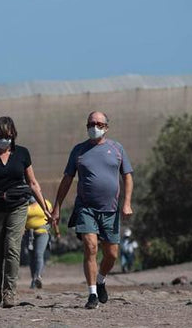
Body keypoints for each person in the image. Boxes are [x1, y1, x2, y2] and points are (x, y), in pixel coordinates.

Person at [49, 111, 134, 310]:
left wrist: (127, 203)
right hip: (85, 208)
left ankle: (102, 279)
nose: (94, 127)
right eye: (90, 123)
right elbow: (67, 179)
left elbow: (127, 176)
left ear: (106, 127)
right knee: (91, 247)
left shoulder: (117, 148)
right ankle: (92, 293)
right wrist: (57, 206)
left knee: (112, 254)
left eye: (98, 123)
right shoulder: (79, 151)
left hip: (111, 210)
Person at [0, 116, 51, 308]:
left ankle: (9, 291)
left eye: (6, 135)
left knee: (12, 248)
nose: (3, 139)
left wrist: (45, 208)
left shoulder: (22, 154)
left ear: (13, 134)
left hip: (18, 205)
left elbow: (32, 183)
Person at [25, 197, 53, 289]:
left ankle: (38, 276)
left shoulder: (46, 203)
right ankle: (33, 279)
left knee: (39, 254)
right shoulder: (24, 204)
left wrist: (56, 230)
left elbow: (52, 217)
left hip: (43, 232)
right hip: (28, 234)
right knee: (31, 257)